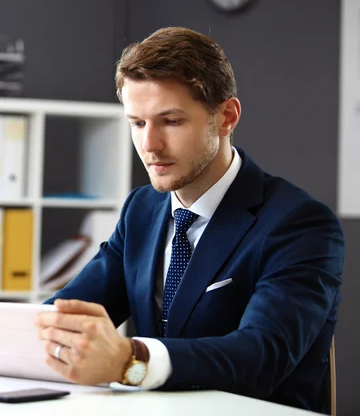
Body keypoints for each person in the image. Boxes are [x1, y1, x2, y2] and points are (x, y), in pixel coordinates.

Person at [36, 26, 344, 414]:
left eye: (171, 121)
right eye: (137, 123)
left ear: (227, 117)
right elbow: (69, 310)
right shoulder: (143, 209)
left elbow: (261, 355)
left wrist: (131, 359)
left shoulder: (299, 223)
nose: (149, 145)